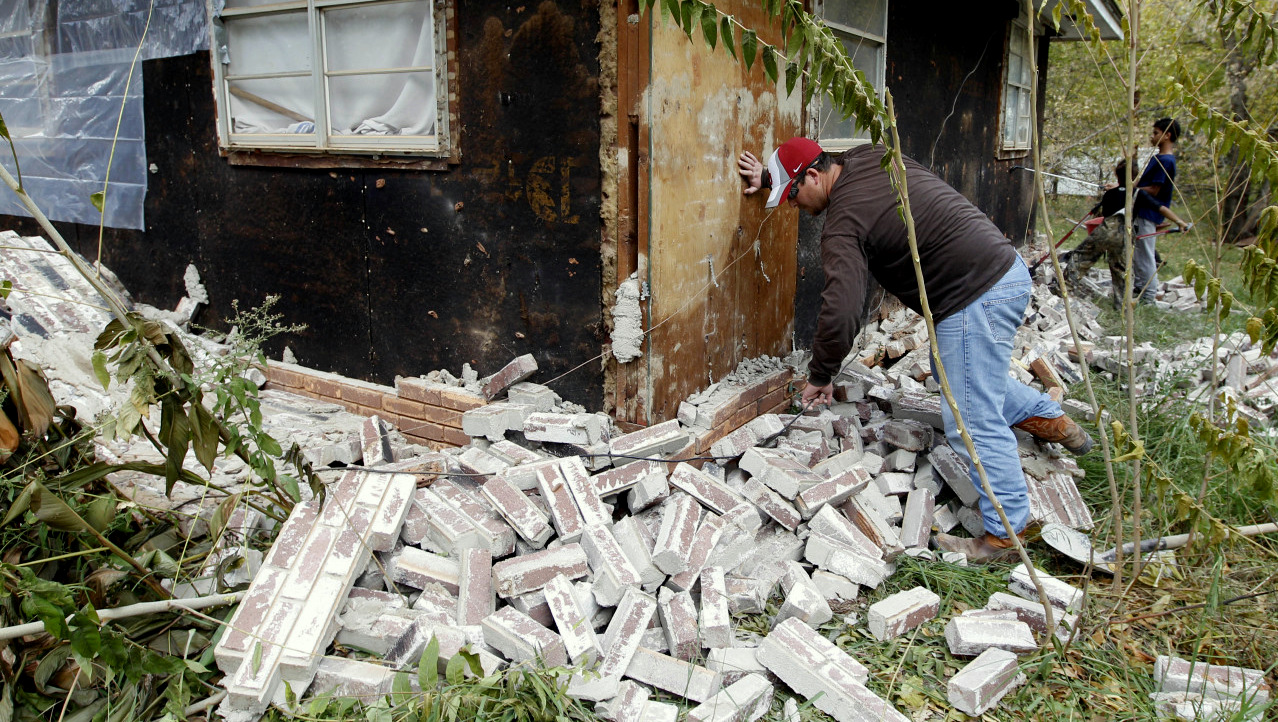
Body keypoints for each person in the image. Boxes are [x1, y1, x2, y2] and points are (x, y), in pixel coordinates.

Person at [738, 137, 1094, 563]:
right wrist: (771, 178)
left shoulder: (843, 223)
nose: (794, 206)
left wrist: (820, 374)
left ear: (814, 175)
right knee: (955, 373)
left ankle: (1006, 536)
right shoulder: (867, 155)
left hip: (973, 294)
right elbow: (808, 171)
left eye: (792, 194)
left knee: (969, 417)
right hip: (1001, 267)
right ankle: (1049, 420)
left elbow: (843, 309)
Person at [1063, 157, 1189, 303]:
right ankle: (1121, 305)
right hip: (1124, 238)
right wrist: (1179, 222)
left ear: (1117, 175)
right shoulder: (1138, 194)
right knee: (1120, 272)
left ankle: (1064, 288)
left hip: (1103, 233)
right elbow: (1160, 208)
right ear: (1135, 177)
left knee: (1081, 257)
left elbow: (1104, 214)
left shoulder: (1109, 194)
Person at [1131, 118, 1182, 304]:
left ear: (1167, 135)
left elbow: (1153, 189)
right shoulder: (1157, 158)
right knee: (1139, 254)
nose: (1152, 137)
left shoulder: (1166, 161)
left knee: (1145, 255)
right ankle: (1139, 288)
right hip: (1141, 211)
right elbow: (1139, 184)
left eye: (1155, 133)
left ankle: (1149, 296)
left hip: (1149, 213)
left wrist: (1130, 190)